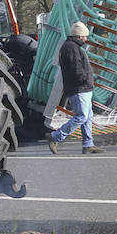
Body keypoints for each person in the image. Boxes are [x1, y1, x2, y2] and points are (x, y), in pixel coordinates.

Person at [48, 22, 105, 154]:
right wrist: (85, 79)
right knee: (82, 116)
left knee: (88, 116)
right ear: (79, 36)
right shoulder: (72, 48)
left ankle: (88, 144)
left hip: (81, 87)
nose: (86, 39)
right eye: (84, 36)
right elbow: (76, 68)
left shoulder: (70, 47)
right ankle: (55, 137)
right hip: (79, 88)